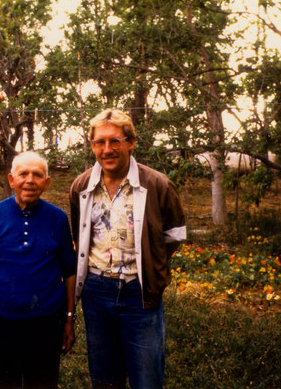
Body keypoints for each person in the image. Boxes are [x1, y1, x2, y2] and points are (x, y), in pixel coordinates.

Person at [70, 109, 186, 389]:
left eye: (115, 141)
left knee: (146, 377)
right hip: (96, 293)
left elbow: (174, 236)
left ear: (131, 142)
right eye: (99, 142)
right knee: (105, 378)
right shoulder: (82, 186)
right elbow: (80, 235)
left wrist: (149, 264)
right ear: (92, 145)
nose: (106, 150)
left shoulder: (157, 184)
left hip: (140, 293)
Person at [0, 151, 77, 389]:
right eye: (23, 174)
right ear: (11, 180)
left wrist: (69, 320)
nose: (30, 180)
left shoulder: (57, 219)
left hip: (45, 323)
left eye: (37, 175)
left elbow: (70, 272)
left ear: (46, 183)